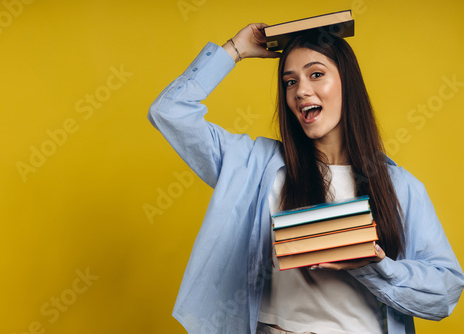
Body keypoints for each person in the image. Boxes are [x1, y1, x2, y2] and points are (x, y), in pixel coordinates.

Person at [148, 23, 464, 334]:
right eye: (289, 82)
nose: (301, 91)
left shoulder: (398, 186)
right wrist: (236, 49)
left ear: (347, 83)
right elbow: (169, 112)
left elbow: (447, 291)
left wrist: (375, 264)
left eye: (316, 74)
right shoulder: (255, 167)